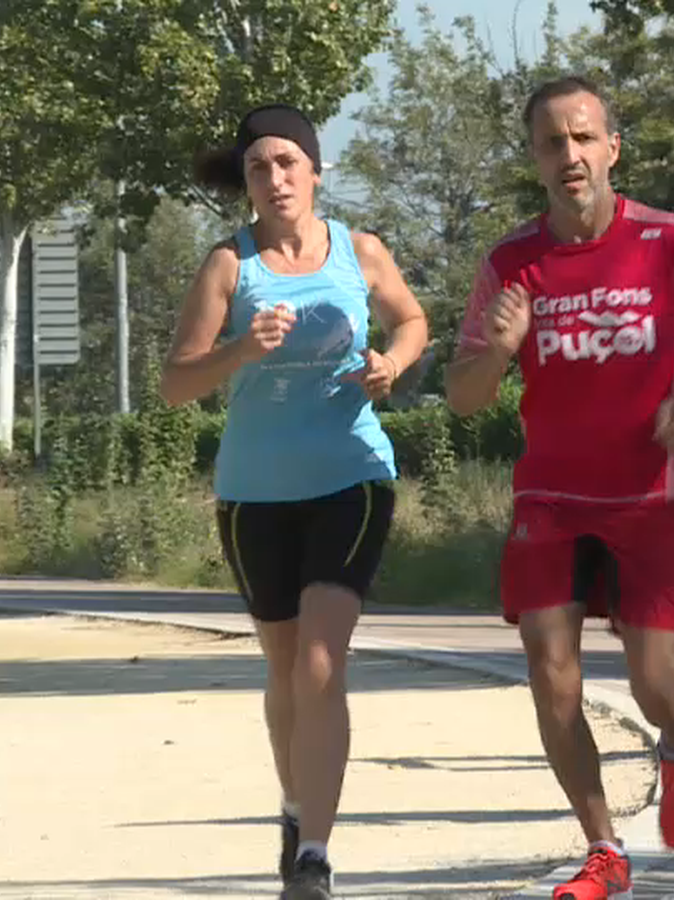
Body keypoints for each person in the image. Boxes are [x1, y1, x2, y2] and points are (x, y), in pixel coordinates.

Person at [445, 76, 674, 900]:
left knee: (657, 687)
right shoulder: (510, 264)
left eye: (584, 137)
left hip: (650, 497)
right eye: (553, 142)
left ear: (612, 148)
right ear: (535, 158)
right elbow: (463, 396)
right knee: (551, 672)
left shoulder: (666, 242)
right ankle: (603, 850)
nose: (571, 155)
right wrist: (499, 350)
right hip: (551, 498)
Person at [161, 104, 428, 900]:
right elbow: (176, 384)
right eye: (258, 168)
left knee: (319, 661)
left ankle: (314, 856)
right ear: (246, 182)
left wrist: (392, 365)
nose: (275, 179)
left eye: (287, 163)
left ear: (315, 170)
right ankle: (294, 806)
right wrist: (242, 349)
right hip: (255, 495)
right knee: (284, 673)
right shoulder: (228, 266)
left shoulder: (360, 251)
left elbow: (413, 320)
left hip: (352, 477)